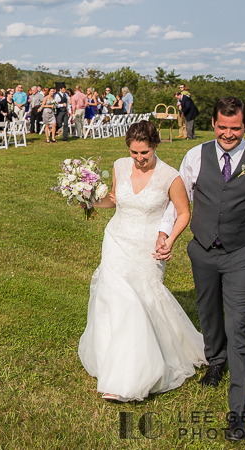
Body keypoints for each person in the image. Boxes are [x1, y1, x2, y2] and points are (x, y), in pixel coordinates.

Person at [155, 97, 245, 441]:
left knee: (239, 323)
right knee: (209, 311)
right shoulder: (194, 156)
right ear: (213, 124)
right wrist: (166, 235)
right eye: (222, 127)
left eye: (236, 128)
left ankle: (237, 411)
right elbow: (179, 200)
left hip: (241, 254)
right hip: (202, 250)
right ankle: (215, 361)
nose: (228, 134)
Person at [79, 120, 206, 402]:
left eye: (144, 153)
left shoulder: (170, 177)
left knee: (141, 302)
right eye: (134, 153)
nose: (139, 159)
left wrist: (169, 240)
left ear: (155, 146)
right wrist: (89, 200)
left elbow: (184, 213)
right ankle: (111, 364)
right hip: (116, 240)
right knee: (116, 299)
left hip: (148, 249)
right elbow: (114, 200)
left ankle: (139, 371)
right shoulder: (120, 166)